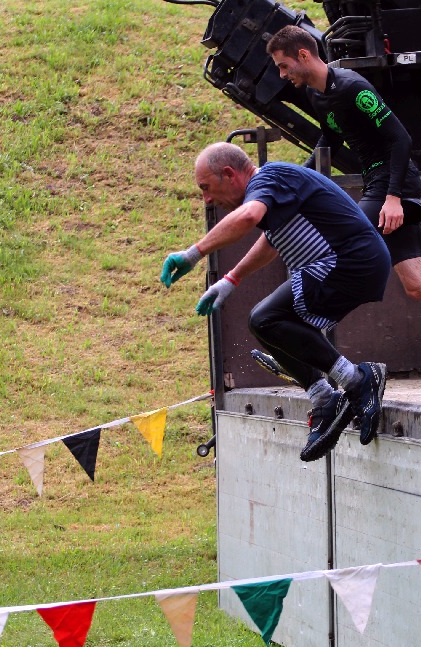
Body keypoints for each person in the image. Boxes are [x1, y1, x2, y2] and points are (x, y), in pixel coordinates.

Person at [160, 142, 389, 461]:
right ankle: (325, 398)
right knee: (269, 326)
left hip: (349, 261)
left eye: (206, 188)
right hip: (351, 264)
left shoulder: (269, 177)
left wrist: (193, 253)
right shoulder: (274, 186)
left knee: (267, 318)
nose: (207, 199)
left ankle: (358, 380)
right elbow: (271, 240)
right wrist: (231, 279)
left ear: (229, 174)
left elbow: (248, 216)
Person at [266, 25, 421, 315]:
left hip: (391, 185)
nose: (282, 74)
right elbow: (331, 139)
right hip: (376, 184)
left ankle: (292, 321)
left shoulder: (352, 87)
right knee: (420, 286)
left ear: (304, 55)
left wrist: (394, 198)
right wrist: (299, 178)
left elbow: (401, 139)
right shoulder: (316, 95)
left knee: (332, 243)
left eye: (284, 66)